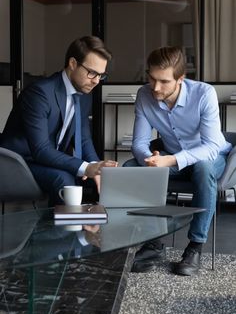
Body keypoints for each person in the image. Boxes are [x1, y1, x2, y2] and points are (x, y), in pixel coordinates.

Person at [124, 46, 232, 276]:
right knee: (130, 168)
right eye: (151, 78)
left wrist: (171, 160)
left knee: (202, 169)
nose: (155, 87)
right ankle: (154, 242)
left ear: (181, 79)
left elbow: (211, 146)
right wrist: (149, 160)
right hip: (169, 160)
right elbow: (139, 143)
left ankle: (195, 246)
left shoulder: (204, 93)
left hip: (210, 158)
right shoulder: (144, 95)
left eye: (163, 81)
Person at [0, 36, 118, 206]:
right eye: (92, 72)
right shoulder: (40, 94)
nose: (96, 81)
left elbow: (83, 139)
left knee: (103, 180)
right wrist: (86, 168)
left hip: (46, 160)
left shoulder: (84, 94)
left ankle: (94, 227)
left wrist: (96, 167)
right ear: (72, 63)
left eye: (101, 75)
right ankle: (66, 231)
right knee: (64, 179)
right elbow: (40, 150)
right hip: (19, 162)